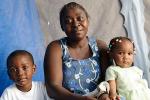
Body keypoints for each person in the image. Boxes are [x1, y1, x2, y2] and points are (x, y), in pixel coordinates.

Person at [44, 2, 110, 100]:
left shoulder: (100, 46)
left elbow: (109, 79)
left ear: (88, 21)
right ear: (62, 26)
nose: (75, 24)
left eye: (80, 18)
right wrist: (82, 99)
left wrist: (104, 95)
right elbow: (52, 88)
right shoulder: (56, 48)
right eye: (68, 21)